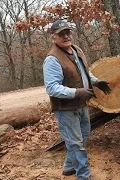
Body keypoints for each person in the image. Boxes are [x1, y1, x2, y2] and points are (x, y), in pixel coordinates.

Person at [43, 19, 111, 180]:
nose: (66, 36)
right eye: (62, 34)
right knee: (76, 143)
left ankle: (68, 167)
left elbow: (83, 73)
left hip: (81, 104)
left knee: (83, 137)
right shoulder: (52, 59)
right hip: (66, 109)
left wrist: (96, 82)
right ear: (54, 37)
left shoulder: (76, 50)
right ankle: (83, 175)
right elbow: (52, 88)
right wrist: (77, 92)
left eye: (68, 32)